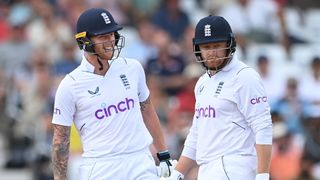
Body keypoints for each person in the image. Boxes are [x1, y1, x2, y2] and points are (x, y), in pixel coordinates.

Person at [51, 8, 174, 180]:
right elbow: (60, 140)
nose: (110, 41)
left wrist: (164, 154)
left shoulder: (132, 68)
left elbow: (147, 109)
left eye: (112, 35)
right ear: (85, 41)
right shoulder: (70, 85)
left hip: (140, 161)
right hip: (101, 167)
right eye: (102, 36)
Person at [167, 15, 273, 180]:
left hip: (236, 166)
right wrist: (177, 174)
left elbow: (263, 127)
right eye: (206, 47)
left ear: (229, 44)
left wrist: (263, 175)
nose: (212, 53)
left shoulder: (244, 77)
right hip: (207, 168)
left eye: (217, 45)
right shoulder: (202, 83)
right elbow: (196, 134)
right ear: (198, 49)